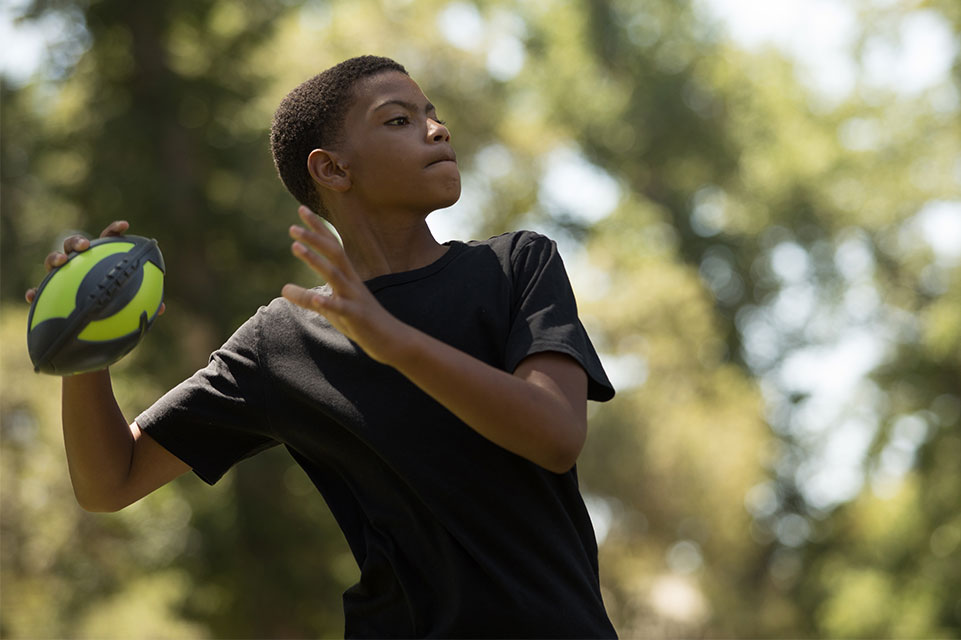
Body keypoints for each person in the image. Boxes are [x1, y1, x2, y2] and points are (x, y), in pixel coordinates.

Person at [26, 55, 617, 638]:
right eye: (399, 120)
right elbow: (110, 481)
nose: (437, 128)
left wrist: (394, 342)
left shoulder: (515, 266)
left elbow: (555, 435)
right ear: (332, 169)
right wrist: (85, 351)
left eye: (431, 114)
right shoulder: (284, 340)